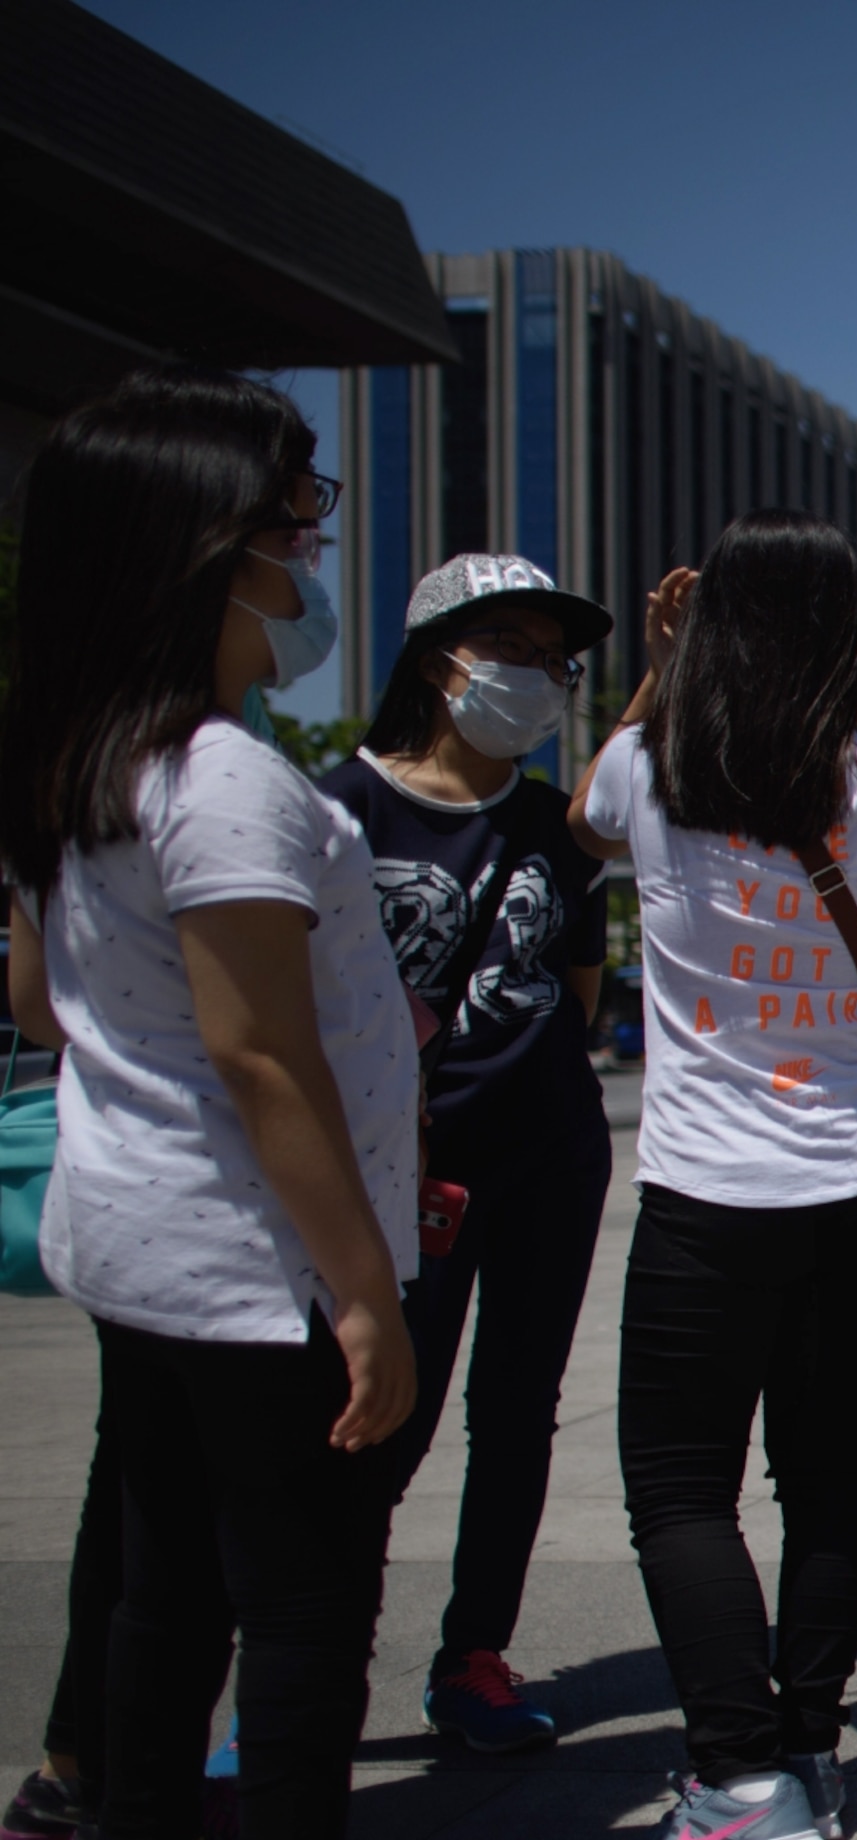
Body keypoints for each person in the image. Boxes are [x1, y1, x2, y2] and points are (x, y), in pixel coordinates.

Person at [1, 368, 513, 1840]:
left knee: (162, 1578)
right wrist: (366, 1290)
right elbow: (261, 1055)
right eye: (296, 523)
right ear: (200, 547)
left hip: (136, 1242)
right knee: (305, 1599)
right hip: (254, 1264)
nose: (312, 559)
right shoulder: (221, 778)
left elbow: (40, 1001)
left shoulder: (81, 760)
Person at [562, 510, 857, 1840]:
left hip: (709, 1197)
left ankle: (737, 1779)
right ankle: (807, 1749)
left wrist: (663, 666)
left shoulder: (648, 764)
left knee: (683, 1487)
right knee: (824, 1471)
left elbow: (579, 818)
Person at [321, 555, 616, 1753]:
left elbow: (580, 993)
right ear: (439, 661)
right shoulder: (340, 809)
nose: (539, 677)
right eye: (513, 651)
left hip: (551, 1160)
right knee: (378, 1416)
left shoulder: (554, 826)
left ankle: (474, 1656)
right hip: (405, 1172)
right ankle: (317, 1665)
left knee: (517, 1414)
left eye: (556, 661)